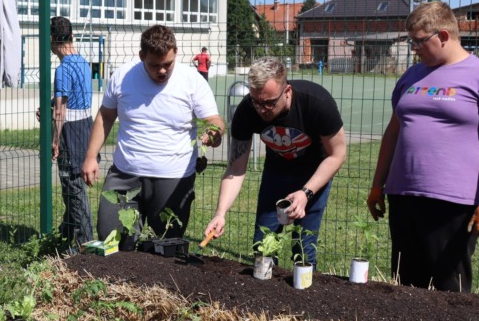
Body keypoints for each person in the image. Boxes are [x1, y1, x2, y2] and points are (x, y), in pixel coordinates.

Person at [368, 1, 479, 292]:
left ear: (444, 36)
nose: (414, 49)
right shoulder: (411, 77)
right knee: (405, 284)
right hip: (405, 196)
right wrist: (378, 185)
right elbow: (393, 133)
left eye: (419, 41)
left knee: (451, 289)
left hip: (454, 203)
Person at [82, 25, 224, 248]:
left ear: (176, 52)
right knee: (111, 241)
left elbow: (214, 121)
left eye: (167, 64)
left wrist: (214, 133)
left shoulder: (192, 80)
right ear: (141, 57)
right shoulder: (122, 76)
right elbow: (106, 116)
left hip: (174, 177)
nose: (161, 71)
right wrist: (91, 156)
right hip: (125, 174)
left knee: (167, 246)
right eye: (154, 65)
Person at [203, 57, 346, 268]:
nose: (262, 109)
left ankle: (305, 296)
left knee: (304, 249)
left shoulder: (316, 102)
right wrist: (220, 213)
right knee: (263, 246)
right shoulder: (247, 110)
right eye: (256, 101)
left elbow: (337, 155)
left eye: (269, 102)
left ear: (287, 91)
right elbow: (235, 168)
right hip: (276, 175)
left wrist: (306, 193)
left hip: (314, 175)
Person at [41, 16, 94, 245]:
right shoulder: (83, 63)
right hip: (86, 130)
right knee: (73, 187)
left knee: (73, 190)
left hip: (70, 134)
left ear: (52, 39)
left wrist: (54, 140)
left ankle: (85, 244)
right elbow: (70, 100)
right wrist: (52, 104)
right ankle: (65, 235)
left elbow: (62, 111)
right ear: (71, 35)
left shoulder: (62, 69)